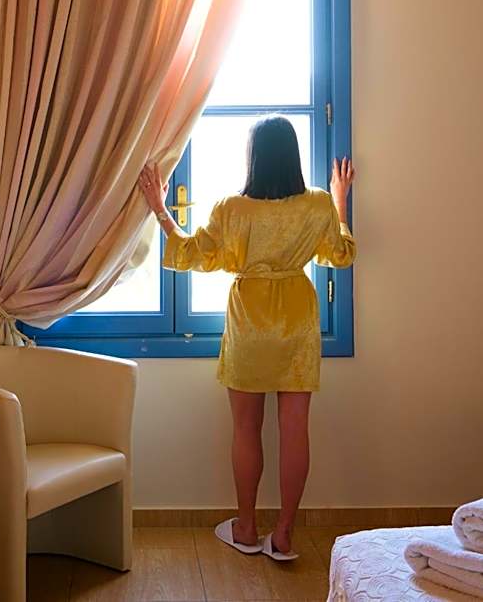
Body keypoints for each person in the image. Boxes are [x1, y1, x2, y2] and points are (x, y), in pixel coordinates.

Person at [138, 114, 355, 561]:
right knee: (295, 431)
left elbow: (191, 254)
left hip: (250, 324)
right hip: (297, 320)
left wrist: (160, 208)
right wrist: (340, 201)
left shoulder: (232, 209)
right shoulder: (317, 204)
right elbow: (340, 254)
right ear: (293, 156)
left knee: (245, 428)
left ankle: (247, 526)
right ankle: (285, 534)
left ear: (253, 158)